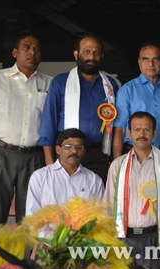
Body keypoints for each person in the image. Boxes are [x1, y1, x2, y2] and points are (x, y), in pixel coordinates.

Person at [0, 32, 53, 230]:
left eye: (37, 49)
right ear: (15, 52)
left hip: (34, 156)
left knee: (31, 215)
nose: (32, 52)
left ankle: (25, 261)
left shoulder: (50, 83)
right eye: (27, 48)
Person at [104, 111, 160, 269]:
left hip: (155, 239)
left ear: (154, 133)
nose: (142, 134)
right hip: (123, 238)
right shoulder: (118, 166)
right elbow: (108, 205)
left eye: (147, 130)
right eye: (137, 130)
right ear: (129, 133)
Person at [39, 35, 119, 183]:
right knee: (66, 202)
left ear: (102, 55)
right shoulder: (61, 82)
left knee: (96, 203)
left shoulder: (110, 85)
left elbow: (117, 125)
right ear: (76, 54)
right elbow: (48, 121)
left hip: (99, 156)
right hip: (68, 153)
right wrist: (50, 163)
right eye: (86, 51)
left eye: (96, 52)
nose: (92, 57)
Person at [26, 129, 104, 235]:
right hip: (47, 245)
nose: (74, 151)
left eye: (79, 147)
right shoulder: (40, 176)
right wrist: (48, 241)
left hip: (83, 245)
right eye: (68, 146)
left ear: (84, 152)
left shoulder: (94, 180)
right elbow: (32, 215)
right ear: (58, 149)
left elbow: (101, 216)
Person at [113, 42, 160, 159]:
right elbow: (120, 129)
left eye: (156, 59)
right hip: (134, 153)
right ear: (139, 62)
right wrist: (117, 163)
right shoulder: (127, 90)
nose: (151, 64)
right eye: (146, 59)